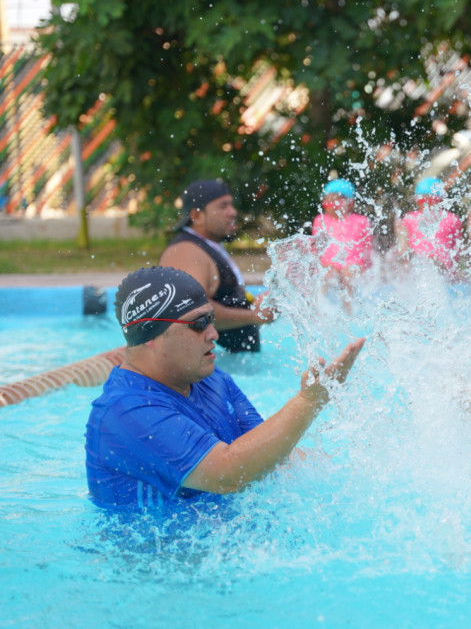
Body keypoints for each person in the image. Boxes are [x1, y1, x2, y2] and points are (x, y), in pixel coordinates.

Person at [85, 266, 365, 510]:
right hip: (160, 553)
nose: (214, 334)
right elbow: (228, 474)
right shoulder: (125, 412)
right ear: (150, 333)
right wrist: (309, 401)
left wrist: (351, 479)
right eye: (199, 324)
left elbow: (271, 456)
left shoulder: (211, 379)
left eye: (211, 319)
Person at [160, 179, 273, 353]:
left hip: (227, 363)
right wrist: (254, 316)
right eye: (223, 206)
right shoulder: (186, 251)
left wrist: (257, 302)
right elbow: (191, 310)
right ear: (197, 216)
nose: (233, 212)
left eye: (231, 205)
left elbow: (225, 299)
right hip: (213, 364)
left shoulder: (207, 246)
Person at [311, 178, 374, 289]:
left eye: (335, 203)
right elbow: (315, 248)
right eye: (327, 203)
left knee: (350, 272)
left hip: (353, 263)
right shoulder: (320, 220)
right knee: (326, 272)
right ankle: (320, 299)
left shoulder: (361, 221)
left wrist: (367, 267)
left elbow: (368, 249)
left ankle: (350, 300)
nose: (330, 207)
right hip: (329, 262)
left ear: (350, 203)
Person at [396, 177, 463, 274]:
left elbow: (403, 248)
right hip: (441, 266)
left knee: (419, 262)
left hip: (421, 264)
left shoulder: (409, 218)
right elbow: (457, 251)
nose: (426, 201)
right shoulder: (452, 218)